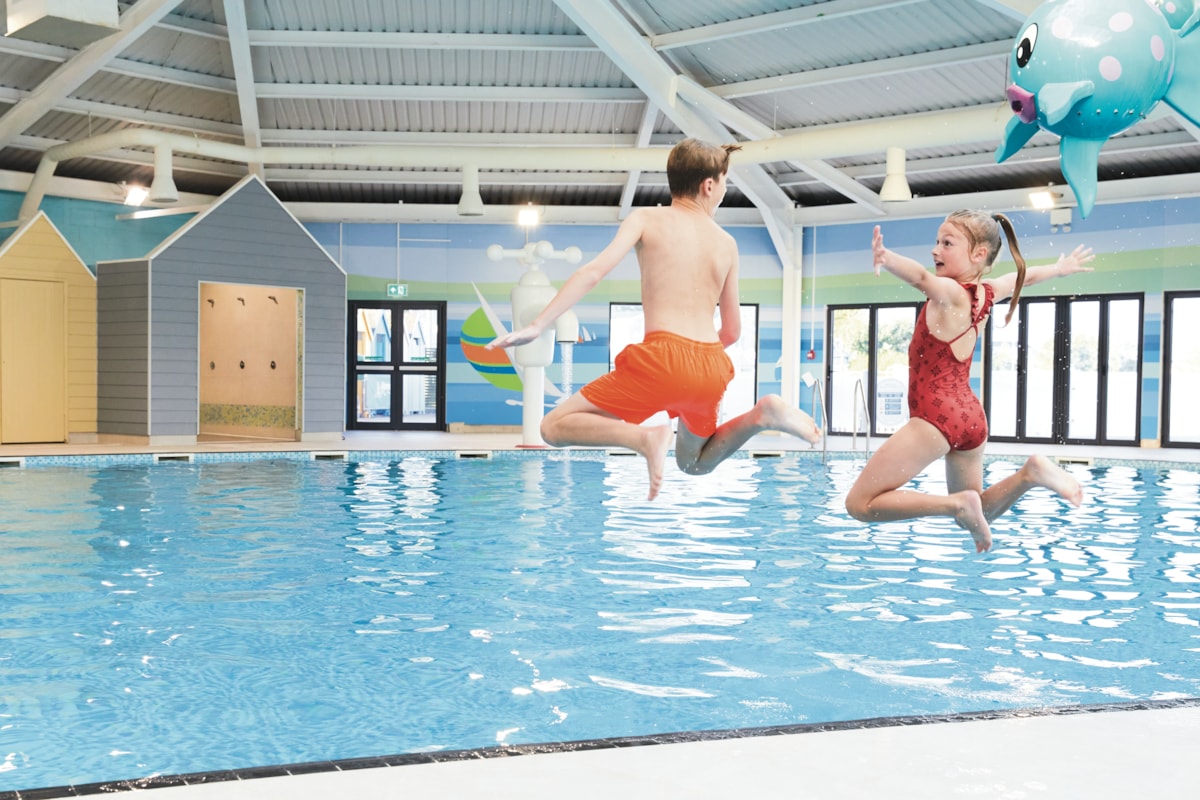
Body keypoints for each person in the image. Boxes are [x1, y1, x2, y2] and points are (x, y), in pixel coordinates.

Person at [486, 137, 821, 500]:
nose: (724, 190)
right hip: (710, 364)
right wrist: (695, 361)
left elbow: (593, 272)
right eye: (726, 182)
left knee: (552, 427)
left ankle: (642, 437)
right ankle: (763, 415)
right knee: (695, 463)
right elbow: (733, 330)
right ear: (708, 185)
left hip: (661, 360)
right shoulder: (727, 243)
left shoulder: (646, 218)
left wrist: (537, 324)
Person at [844, 211, 1095, 552]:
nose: (935, 250)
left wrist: (886, 258)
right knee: (977, 513)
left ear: (978, 254)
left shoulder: (951, 294)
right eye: (936, 241)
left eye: (947, 243)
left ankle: (953, 503)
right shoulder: (987, 293)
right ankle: (1029, 474)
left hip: (936, 416)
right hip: (971, 418)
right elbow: (1025, 277)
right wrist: (1058, 269)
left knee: (859, 504)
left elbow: (919, 277)